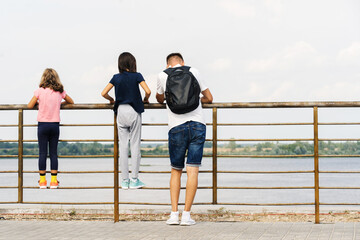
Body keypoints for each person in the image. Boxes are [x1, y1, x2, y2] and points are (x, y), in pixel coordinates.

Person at [156, 53, 213, 226]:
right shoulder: (194, 71)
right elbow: (209, 98)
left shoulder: (162, 75)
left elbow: (159, 98)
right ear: (183, 62)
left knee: (176, 170)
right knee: (192, 171)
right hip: (197, 124)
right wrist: (196, 100)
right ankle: (186, 216)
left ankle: (174, 215)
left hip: (176, 127)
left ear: (168, 64)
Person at [101, 52, 151, 190]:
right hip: (134, 110)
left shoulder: (116, 78)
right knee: (135, 145)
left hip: (120, 112)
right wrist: (146, 99)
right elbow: (148, 90)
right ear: (132, 63)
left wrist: (111, 100)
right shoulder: (137, 76)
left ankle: (124, 181)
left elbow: (103, 93)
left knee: (123, 146)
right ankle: (134, 180)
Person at [28, 68, 74, 189]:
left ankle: (42, 181)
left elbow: (29, 105)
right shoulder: (60, 91)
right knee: (53, 153)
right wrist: (59, 104)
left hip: (42, 125)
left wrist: (40, 104)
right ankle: (54, 181)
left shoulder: (39, 91)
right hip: (54, 125)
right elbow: (71, 102)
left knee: (42, 153)